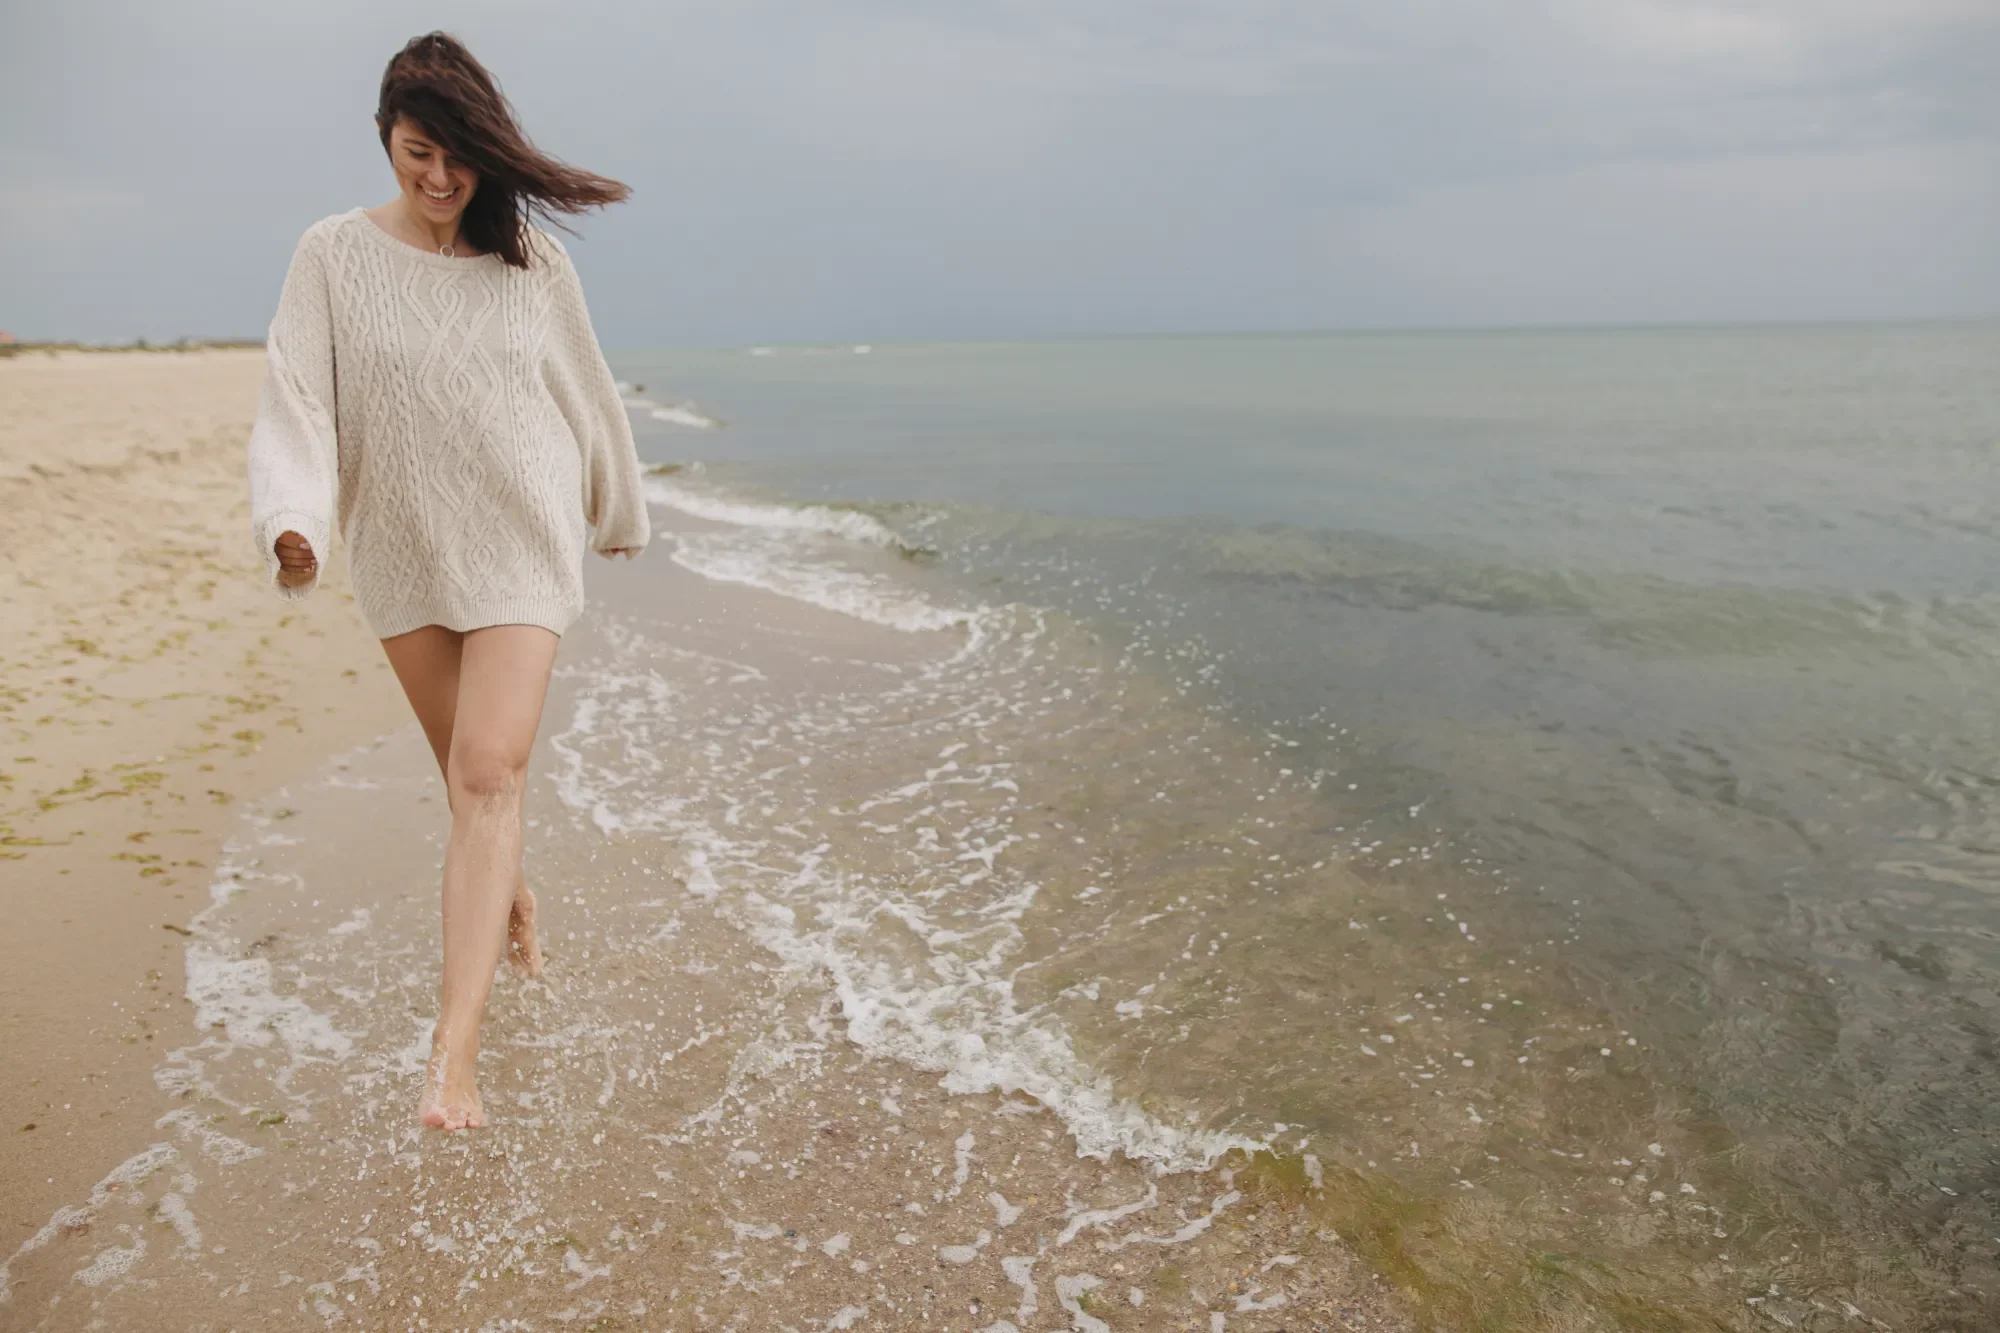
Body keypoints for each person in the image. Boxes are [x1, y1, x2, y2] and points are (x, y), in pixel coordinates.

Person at [246, 31, 649, 1131]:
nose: (437, 179)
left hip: (521, 540)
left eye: (457, 156)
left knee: (486, 773)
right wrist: (293, 520)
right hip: (403, 549)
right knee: (473, 788)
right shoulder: (331, 255)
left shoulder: (532, 264)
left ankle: (451, 1060)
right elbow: (297, 400)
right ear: (386, 138)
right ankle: (506, 887)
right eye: (417, 151)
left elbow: (586, 388)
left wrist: (616, 509)